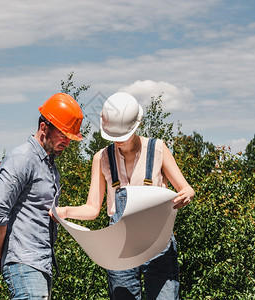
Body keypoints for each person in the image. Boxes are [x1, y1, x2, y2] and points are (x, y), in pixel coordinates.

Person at [50, 92, 194, 300]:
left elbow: (187, 188)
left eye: (122, 136)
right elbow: (92, 209)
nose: (117, 141)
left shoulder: (158, 149)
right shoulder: (101, 158)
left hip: (158, 245)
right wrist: (65, 211)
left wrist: (185, 196)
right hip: (120, 246)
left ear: (136, 126)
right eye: (112, 137)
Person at [0, 93, 84, 299]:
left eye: (70, 138)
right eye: (63, 136)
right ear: (44, 128)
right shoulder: (22, 159)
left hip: (40, 264)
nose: (67, 143)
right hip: (25, 264)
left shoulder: (49, 165)